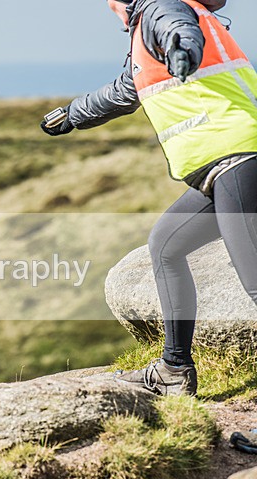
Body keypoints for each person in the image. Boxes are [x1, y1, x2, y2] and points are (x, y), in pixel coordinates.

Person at [41, 0, 257, 396]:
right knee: (165, 246)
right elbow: (126, 91)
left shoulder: (161, 8)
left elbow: (181, 32)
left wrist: (182, 50)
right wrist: (72, 114)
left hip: (240, 158)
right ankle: (174, 370)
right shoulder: (146, 33)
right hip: (221, 168)